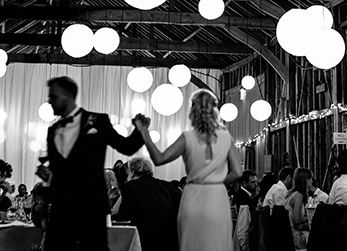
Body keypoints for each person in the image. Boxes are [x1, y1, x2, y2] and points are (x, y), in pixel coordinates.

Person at [39, 76, 146, 250]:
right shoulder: (53, 130)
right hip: (61, 209)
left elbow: (126, 147)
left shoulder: (98, 121)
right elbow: (57, 169)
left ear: (67, 96)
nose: (49, 101)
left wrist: (140, 130)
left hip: (91, 207)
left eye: (53, 96)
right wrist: (47, 177)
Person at [134, 88, 242, 251]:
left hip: (193, 195)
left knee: (192, 245)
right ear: (215, 110)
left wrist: (144, 132)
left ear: (193, 110)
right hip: (217, 197)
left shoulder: (188, 137)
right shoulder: (226, 137)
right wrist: (218, 183)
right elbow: (238, 172)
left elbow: (159, 159)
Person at [117, 156, 181, 251]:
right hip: (169, 241)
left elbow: (123, 217)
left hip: (144, 241)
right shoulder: (169, 186)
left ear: (132, 171)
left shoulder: (130, 187)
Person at [285, 167, 313, 249]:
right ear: (306, 180)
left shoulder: (290, 193)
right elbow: (297, 219)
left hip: (288, 233)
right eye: (310, 178)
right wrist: (311, 215)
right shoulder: (298, 195)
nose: (312, 181)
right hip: (295, 236)